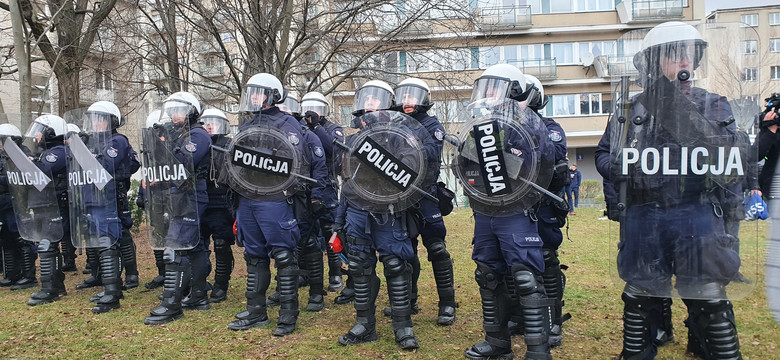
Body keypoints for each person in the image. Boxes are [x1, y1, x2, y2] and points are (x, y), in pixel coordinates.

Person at [595, 21, 744, 359]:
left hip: (696, 211)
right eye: (674, 55)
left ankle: (708, 349)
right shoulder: (630, 109)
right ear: (653, 61)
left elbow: (731, 155)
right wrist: (619, 167)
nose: (684, 62)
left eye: (689, 55)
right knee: (639, 295)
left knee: (708, 294)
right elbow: (604, 153)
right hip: (645, 213)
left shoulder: (713, 104)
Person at [459, 64, 555, 360]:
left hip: (515, 210)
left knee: (526, 278)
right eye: (485, 88)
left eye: (494, 87)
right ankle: (497, 343)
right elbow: (465, 166)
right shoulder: (481, 126)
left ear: (513, 90)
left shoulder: (529, 125)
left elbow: (539, 166)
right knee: (487, 274)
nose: (488, 94)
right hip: (485, 211)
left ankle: (538, 349)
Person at [336, 80, 428, 350]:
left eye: (375, 99)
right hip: (357, 212)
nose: (369, 104)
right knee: (360, 268)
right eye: (365, 98)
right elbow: (346, 182)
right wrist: (338, 219)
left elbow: (413, 174)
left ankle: (403, 327)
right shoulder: (352, 139)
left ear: (387, 104)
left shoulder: (401, 136)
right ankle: (365, 325)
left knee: (396, 267)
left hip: (388, 212)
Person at [226, 73, 304, 336]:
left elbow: (295, 160)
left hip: (274, 199)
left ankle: (288, 315)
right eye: (252, 93)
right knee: (254, 256)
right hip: (248, 198)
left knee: (283, 256)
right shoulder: (248, 125)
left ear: (272, 95)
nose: (254, 98)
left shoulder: (287, 123)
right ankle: (256, 311)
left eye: (259, 93)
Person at [384, 77, 457, 326]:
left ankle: (447, 303)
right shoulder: (393, 124)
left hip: (425, 194)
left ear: (424, 100)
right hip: (402, 197)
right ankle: (409, 300)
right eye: (403, 97)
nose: (407, 102)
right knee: (406, 251)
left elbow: (430, 155)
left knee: (437, 248)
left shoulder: (432, 125)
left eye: (412, 97)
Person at [511, 74, 571, 347]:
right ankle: (525, 316)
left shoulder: (550, 126)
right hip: (515, 205)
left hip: (543, 204)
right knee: (519, 263)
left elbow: (552, 153)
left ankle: (554, 320)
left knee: (546, 259)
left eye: (521, 97)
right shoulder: (506, 127)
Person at [144, 91, 212, 325]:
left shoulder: (198, 135)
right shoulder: (177, 136)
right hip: (178, 196)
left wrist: (164, 146)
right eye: (172, 112)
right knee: (195, 248)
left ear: (191, 112)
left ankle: (171, 304)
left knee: (175, 247)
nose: (174, 116)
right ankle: (198, 296)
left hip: (192, 196)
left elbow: (183, 163)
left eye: (179, 111)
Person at [69, 101, 137, 313]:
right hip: (92, 199)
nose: (96, 123)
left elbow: (106, 166)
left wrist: (84, 153)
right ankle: (110, 286)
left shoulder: (117, 140)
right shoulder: (92, 142)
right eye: (94, 118)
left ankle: (112, 293)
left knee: (109, 243)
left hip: (108, 198)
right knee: (101, 243)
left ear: (111, 121)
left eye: (101, 118)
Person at [300, 91, 347, 294]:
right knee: (308, 231)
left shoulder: (332, 128)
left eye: (316, 109)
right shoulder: (299, 129)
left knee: (330, 230)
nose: (311, 113)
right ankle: (308, 273)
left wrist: (317, 126)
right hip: (306, 185)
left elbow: (332, 149)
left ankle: (335, 272)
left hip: (326, 184)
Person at [21, 115, 70, 306]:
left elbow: (41, 171)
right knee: (48, 246)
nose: (37, 136)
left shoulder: (57, 152)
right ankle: (58, 286)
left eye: (40, 131)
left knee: (48, 245)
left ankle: (50, 289)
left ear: (51, 132)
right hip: (43, 205)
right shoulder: (43, 153)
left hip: (54, 205)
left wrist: (28, 161)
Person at [200, 108, 236, 303]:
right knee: (198, 244)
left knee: (222, 244)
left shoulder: (230, 145)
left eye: (214, 122)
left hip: (221, 201)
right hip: (200, 199)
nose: (210, 126)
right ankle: (199, 282)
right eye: (206, 122)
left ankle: (221, 285)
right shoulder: (197, 143)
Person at [0, 124, 37, 291]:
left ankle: (28, 276)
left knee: (22, 238)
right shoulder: (3, 155)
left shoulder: (23, 154)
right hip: (4, 203)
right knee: (7, 239)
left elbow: (21, 177)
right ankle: (12, 274)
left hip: (18, 202)